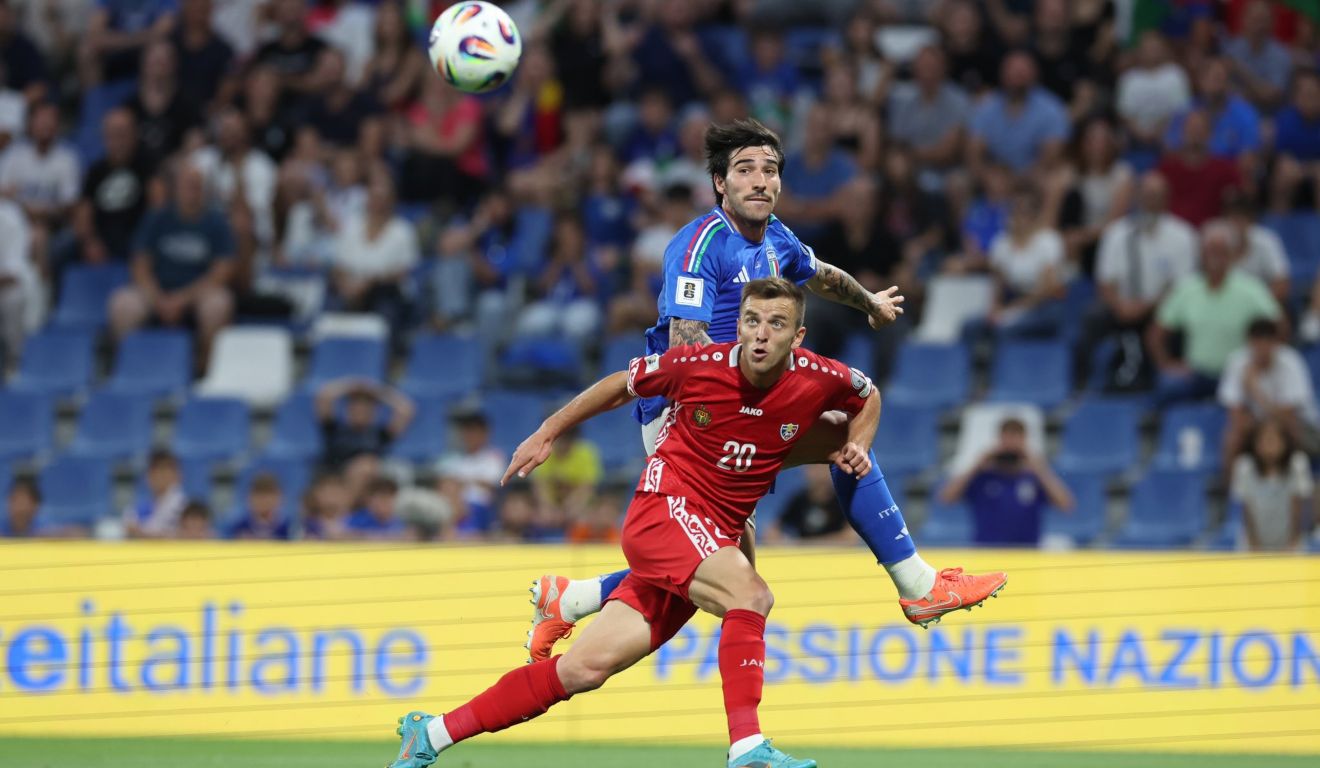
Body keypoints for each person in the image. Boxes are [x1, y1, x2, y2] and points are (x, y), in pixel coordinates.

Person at [524, 119, 1005, 666]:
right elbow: (686, 349)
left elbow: (818, 273)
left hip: (747, 406)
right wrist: (752, 398)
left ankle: (570, 598)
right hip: (689, 418)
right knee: (729, 578)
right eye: (745, 169)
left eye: (770, 170)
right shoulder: (698, 246)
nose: (760, 180)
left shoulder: (777, 236)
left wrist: (868, 301)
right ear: (719, 184)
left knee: (838, 450)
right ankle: (577, 603)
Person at [386, 278, 908, 768]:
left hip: (709, 536)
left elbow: (868, 396)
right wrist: (548, 431)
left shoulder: (820, 376)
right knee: (752, 596)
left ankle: (431, 734)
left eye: (775, 323)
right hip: (664, 510)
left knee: (583, 669)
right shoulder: (700, 364)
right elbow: (621, 384)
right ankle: (747, 746)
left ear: (798, 336)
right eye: (751, 320)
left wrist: (858, 444)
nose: (760, 333)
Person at [107, 163, 235, 370]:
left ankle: (204, 371)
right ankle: (129, 369)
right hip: (157, 292)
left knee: (218, 305)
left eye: (197, 185)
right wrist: (158, 299)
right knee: (122, 305)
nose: (192, 190)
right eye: (187, 185)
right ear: (176, 188)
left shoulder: (216, 222)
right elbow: (140, 265)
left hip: (197, 295)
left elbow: (223, 271)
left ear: (205, 190)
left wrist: (182, 300)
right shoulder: (157, 218)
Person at [1078, 171, 1197, 391]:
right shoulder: (1116, 233)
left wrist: (1145, 306)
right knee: (1092, 318)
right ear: (1137, 197)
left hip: (1161, 308)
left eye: (1157, 194)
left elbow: (1182, 288)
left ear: (1167, 198)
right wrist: (1120, 306)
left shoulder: (1183, 235)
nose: (1151, 200)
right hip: (1121, 307)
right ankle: (1085, 385)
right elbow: (1105, 282)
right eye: (1147, 194)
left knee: (1179, 322)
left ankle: (1165, 383)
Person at [1148, 221, 1283, 408]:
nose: (1216, 258)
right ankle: (1158, 433)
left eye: (1222, 251)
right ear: (1202, 255)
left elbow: (1280, 326)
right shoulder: (1187, 289)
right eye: (1211, 251)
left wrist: (1259, 362)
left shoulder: (1251, 289)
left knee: (1264, 393)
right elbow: (1156, 334)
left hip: (1238, 373)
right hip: (1196, 373)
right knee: (1169, 385)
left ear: (1232, 255)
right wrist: (1168, 364)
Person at [939, 417, 1075, 547]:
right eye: (1007, 438)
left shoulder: (1034, 479)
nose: (1010, 446)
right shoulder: (983, 477)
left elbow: (1066, 505)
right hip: (985, 553)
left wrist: (1040, 469)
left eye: (1016, 439)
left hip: (1028, 554)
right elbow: (946, 498)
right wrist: (976, 465)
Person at [1218, 318, 1320, 469]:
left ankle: (1299, 482)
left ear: (1275, 343)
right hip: (1257, 423)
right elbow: (1235, 413)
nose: (1262, 350)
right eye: (1257, 344)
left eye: (1266, 344)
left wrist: (1255, 391)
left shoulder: (1291, 362)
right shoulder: (1237, 362)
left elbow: (1288, 415)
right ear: (1249, 343)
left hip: (1299, 424)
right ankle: (1227, 487)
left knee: (1288, 430)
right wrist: (1256, 425)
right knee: (1233, 435)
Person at [316, 377, 415, 506]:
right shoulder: (334, 429)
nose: (360, 412)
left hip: (371, 482)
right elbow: (324, 397)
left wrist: (378, 392)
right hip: (337, 477)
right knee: (363, 467)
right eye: (356, 408)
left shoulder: (379, 434)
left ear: (373, 413)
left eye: (366, 409)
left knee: (373, 466)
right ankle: (346, 509)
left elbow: (406, 410)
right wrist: (352, 386)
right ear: (348, 410)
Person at [1231, 418, 1312, 551]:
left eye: (1274, 439)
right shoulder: (1244, 466)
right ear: (1255, 443)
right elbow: (1246, 510)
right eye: (1264, 440)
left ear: (1285, 442)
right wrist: (1254, 544)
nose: (1269, 445)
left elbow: (1299, 508)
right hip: (1253, 541)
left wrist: (1293, 542)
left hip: (1290, 541)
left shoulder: (1298, 464)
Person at [770, 464, 851, 543]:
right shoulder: (798, 500)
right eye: (814, 468)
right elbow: (772, 531)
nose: (818, 473)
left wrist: (807, 544)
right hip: (804, 555)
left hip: (835, 555)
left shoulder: (841, 501)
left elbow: (850, 537)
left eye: (822, 469)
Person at [122, 449, 188, 538]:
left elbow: (179, 537)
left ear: (177, 475)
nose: (160, 476)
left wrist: (140, 533)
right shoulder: (142, 506)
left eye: (165, 470)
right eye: (155, 470)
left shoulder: (182, 505)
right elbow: (128, 524)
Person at [227, 472, 291, 540]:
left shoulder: (287, 525)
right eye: (259, 497)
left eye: (267, 497)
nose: (263, 502)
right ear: (249, 499)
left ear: (279, 498)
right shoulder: (239, 525)